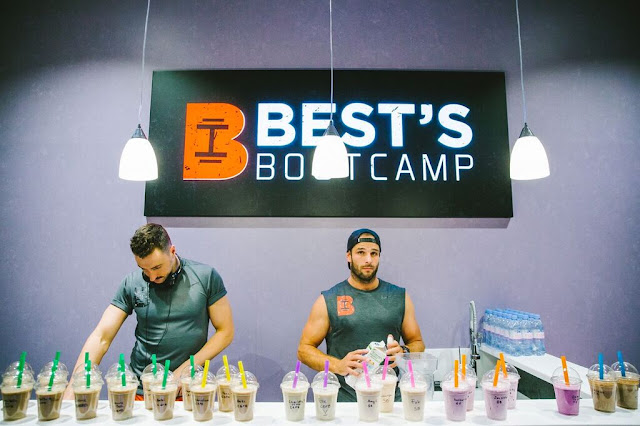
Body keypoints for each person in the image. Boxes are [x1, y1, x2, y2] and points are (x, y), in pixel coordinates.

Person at [63, 223, 234, 399]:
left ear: (172, 251)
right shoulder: (131, 282)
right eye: (144, 269)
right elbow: (101, 337)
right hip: (142, 390)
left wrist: (187, 369)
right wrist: (73, 386)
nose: (151, 277)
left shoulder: (206, 277)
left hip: (188, 389)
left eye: (156, 267)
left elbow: (225, 331)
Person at [297, 228, 425, 402]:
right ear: (348, 256)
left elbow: (418, 344)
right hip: (345, 403)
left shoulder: (399, 297)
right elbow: (303, 350)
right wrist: (337, 365)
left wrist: (404, 352)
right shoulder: (329, 299)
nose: (368, 260)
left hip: (388, 402)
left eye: (374, 253)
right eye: (361, 252)